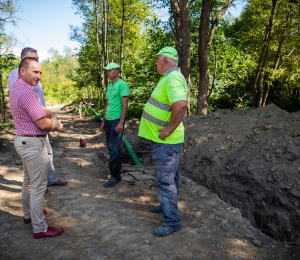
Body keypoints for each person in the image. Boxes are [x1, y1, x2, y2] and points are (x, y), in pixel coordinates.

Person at [9, 57, 64, 238]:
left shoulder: (18, 87)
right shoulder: (26, 91)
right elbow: (42, 123)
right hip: (32, 143)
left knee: (28, 180)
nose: (39, 76)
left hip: (23, 141)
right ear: (23, 71)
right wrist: (55, 123)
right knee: (38, 186)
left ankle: (29, 215)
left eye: (40, 72)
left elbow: (40, 109)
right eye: (35, 72)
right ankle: (39, 227)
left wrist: (53, 114)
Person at [138, 47, 187, 237]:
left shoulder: (173, 78)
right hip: (166, 142)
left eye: (158, 60)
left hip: (167, 142)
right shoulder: (169, 78)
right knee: (170, 178)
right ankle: (166, 206)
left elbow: (181, 104)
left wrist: (169, 129)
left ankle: (172, 221)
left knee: (165, 181)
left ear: (165, 60)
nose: (156, 63)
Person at [9, 47, 68, 188]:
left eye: (37, 59)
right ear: (24, 62)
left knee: (47, 154)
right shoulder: (17, 77)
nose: (36, 62)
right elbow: (26, 102)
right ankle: (40, 192)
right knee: (35, 182)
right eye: (33, 59)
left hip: (37, 119)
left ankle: (50, 180)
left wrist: (50, 113)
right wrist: (54, 123)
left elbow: (37, 103)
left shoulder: (33, 77)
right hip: (33, 126)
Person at [100, 63, 129, 187]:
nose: (107, 73)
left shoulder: (122, 85)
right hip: (108, 120)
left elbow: (125, 105)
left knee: (113, 148)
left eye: (109, 71)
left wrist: (121, 122)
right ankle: (116, 173)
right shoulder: (109, 86)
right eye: (106, 71)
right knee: (111, 148)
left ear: (116, 71)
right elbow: (107, 104)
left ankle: (115, 177)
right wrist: (103, 121)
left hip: (117, 120)